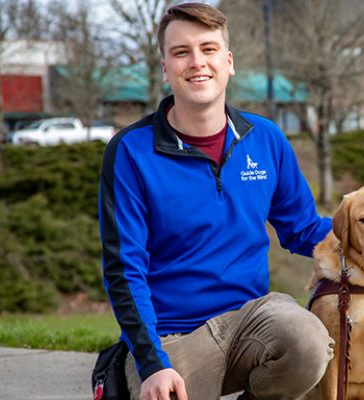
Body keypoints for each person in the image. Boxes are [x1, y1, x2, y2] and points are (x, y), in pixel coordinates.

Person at [98, 3, 334, 400]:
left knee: (307, 343)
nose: (197, 63)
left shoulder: (265, 138)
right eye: (181, 52)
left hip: (250, 322)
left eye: (208, 49)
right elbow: (124, 270)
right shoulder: (130, 152)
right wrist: (152, 363)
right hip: (173, 335)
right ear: (164, 68)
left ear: (228, 62)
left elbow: (304, 229)